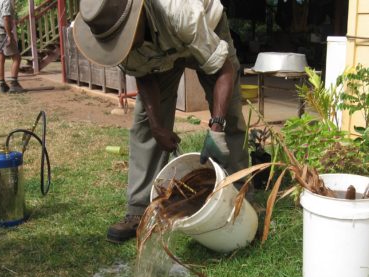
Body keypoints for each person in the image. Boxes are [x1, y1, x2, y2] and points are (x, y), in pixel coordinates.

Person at [73, 0, 249, 243]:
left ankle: (239, 195)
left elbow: (224, 70)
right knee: (146, 122)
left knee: (229, 113)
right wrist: (158, 126)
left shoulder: (181, 13)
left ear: (138, 19)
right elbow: (143, 76)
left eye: (123, 39)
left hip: (204, 29)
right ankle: (139, 209)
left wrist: (216, 127)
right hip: (161, 50)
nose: (121, 47)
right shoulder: (117, 42)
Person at [0, 0, 24, 93]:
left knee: (0, 57)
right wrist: (9, 35)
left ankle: (2, 85)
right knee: (16, 57)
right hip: (1, 31)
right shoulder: (6, 1)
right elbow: (6, 18)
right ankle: (14, 84)